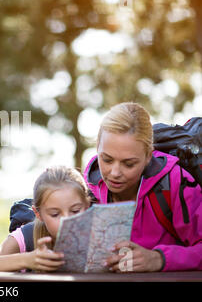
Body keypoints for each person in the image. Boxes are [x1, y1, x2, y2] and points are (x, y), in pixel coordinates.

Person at [84, 102, 202, 272]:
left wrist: (159, 259)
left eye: (129, 163)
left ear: (148, 156)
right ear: (97, 148)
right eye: (107, 160)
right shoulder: (87, 189)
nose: (115, 172)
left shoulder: (175, 183)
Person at [0, 166, 91, 272]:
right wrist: (27, 259)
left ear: (87, 206)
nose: (66, 220)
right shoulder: (25, 237)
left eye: (75, 211)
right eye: (55, 214)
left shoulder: (101, 233)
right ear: (38, 214)